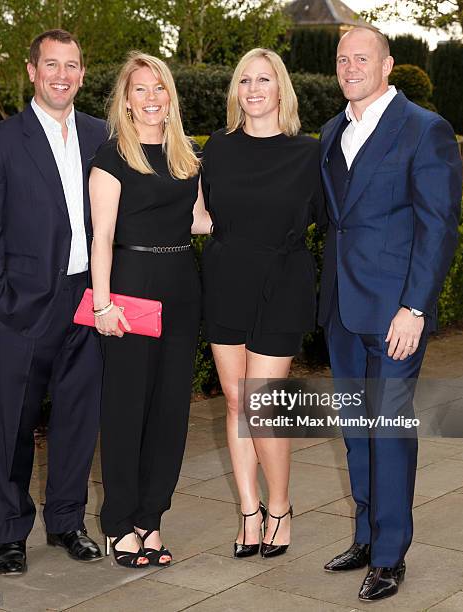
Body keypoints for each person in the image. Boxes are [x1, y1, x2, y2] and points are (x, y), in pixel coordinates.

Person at [318, 27, 462, 602]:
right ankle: (364, 535)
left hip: (395, 314)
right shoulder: (333, 131)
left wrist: (416, 307)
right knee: (356, 433)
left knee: (389, 431)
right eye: (343, 59)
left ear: (388, 65)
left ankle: (389, 554)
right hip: (342, 312)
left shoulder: (425, 129)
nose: (351, 67)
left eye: (362, 58)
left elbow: (438, 227)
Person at [0, 30, 107, 576]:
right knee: (14, 423)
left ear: (82, 73)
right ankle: (10, 533)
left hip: (88, 299)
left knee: (78, 418)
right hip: (23, 305)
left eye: (72, 65)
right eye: (52, 65)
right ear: (32, 71)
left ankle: (68, 521)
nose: (62, 75)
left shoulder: (101, 134)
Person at [201, 48, 325, 559]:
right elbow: (200, 216)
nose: (253, 89)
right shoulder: (218, 148)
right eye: (245, 80)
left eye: (264, 80)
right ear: (237, 91)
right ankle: (249, 513)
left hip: (282, 279)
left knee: (264, 406)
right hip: (226, 278)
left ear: (281, 90)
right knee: (235, 401)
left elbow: (333, 219)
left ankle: (281, 506)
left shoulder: (309, 152)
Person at [89, 51, 210, 568]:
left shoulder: (189, 155)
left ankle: (150, 520)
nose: (152, 98)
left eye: (159, 88)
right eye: (141, 89)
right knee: (126, 412)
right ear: (126, 99)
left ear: (171, 97)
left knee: (169, 413)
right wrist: (101, 304)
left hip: (182, 285)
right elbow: (103, 238)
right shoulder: (112, 156)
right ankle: (119, 524)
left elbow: (202, 220)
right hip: (131, 287)